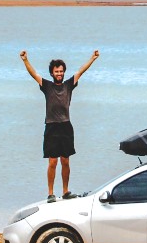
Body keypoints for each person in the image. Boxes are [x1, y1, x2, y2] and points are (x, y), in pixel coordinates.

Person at [19, 49, 100, 203]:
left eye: (61, 71)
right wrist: (25, 60)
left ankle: (65, 191)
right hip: (51, 127)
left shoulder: (69, 85)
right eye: (57, 71)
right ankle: (50, 193)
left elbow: (81, 71)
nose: (59, 73)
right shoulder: (47, 86)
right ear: (52, 73)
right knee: (52, 162)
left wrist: (93, 58)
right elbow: (33, 74)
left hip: (66, 126)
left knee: (65, 161)